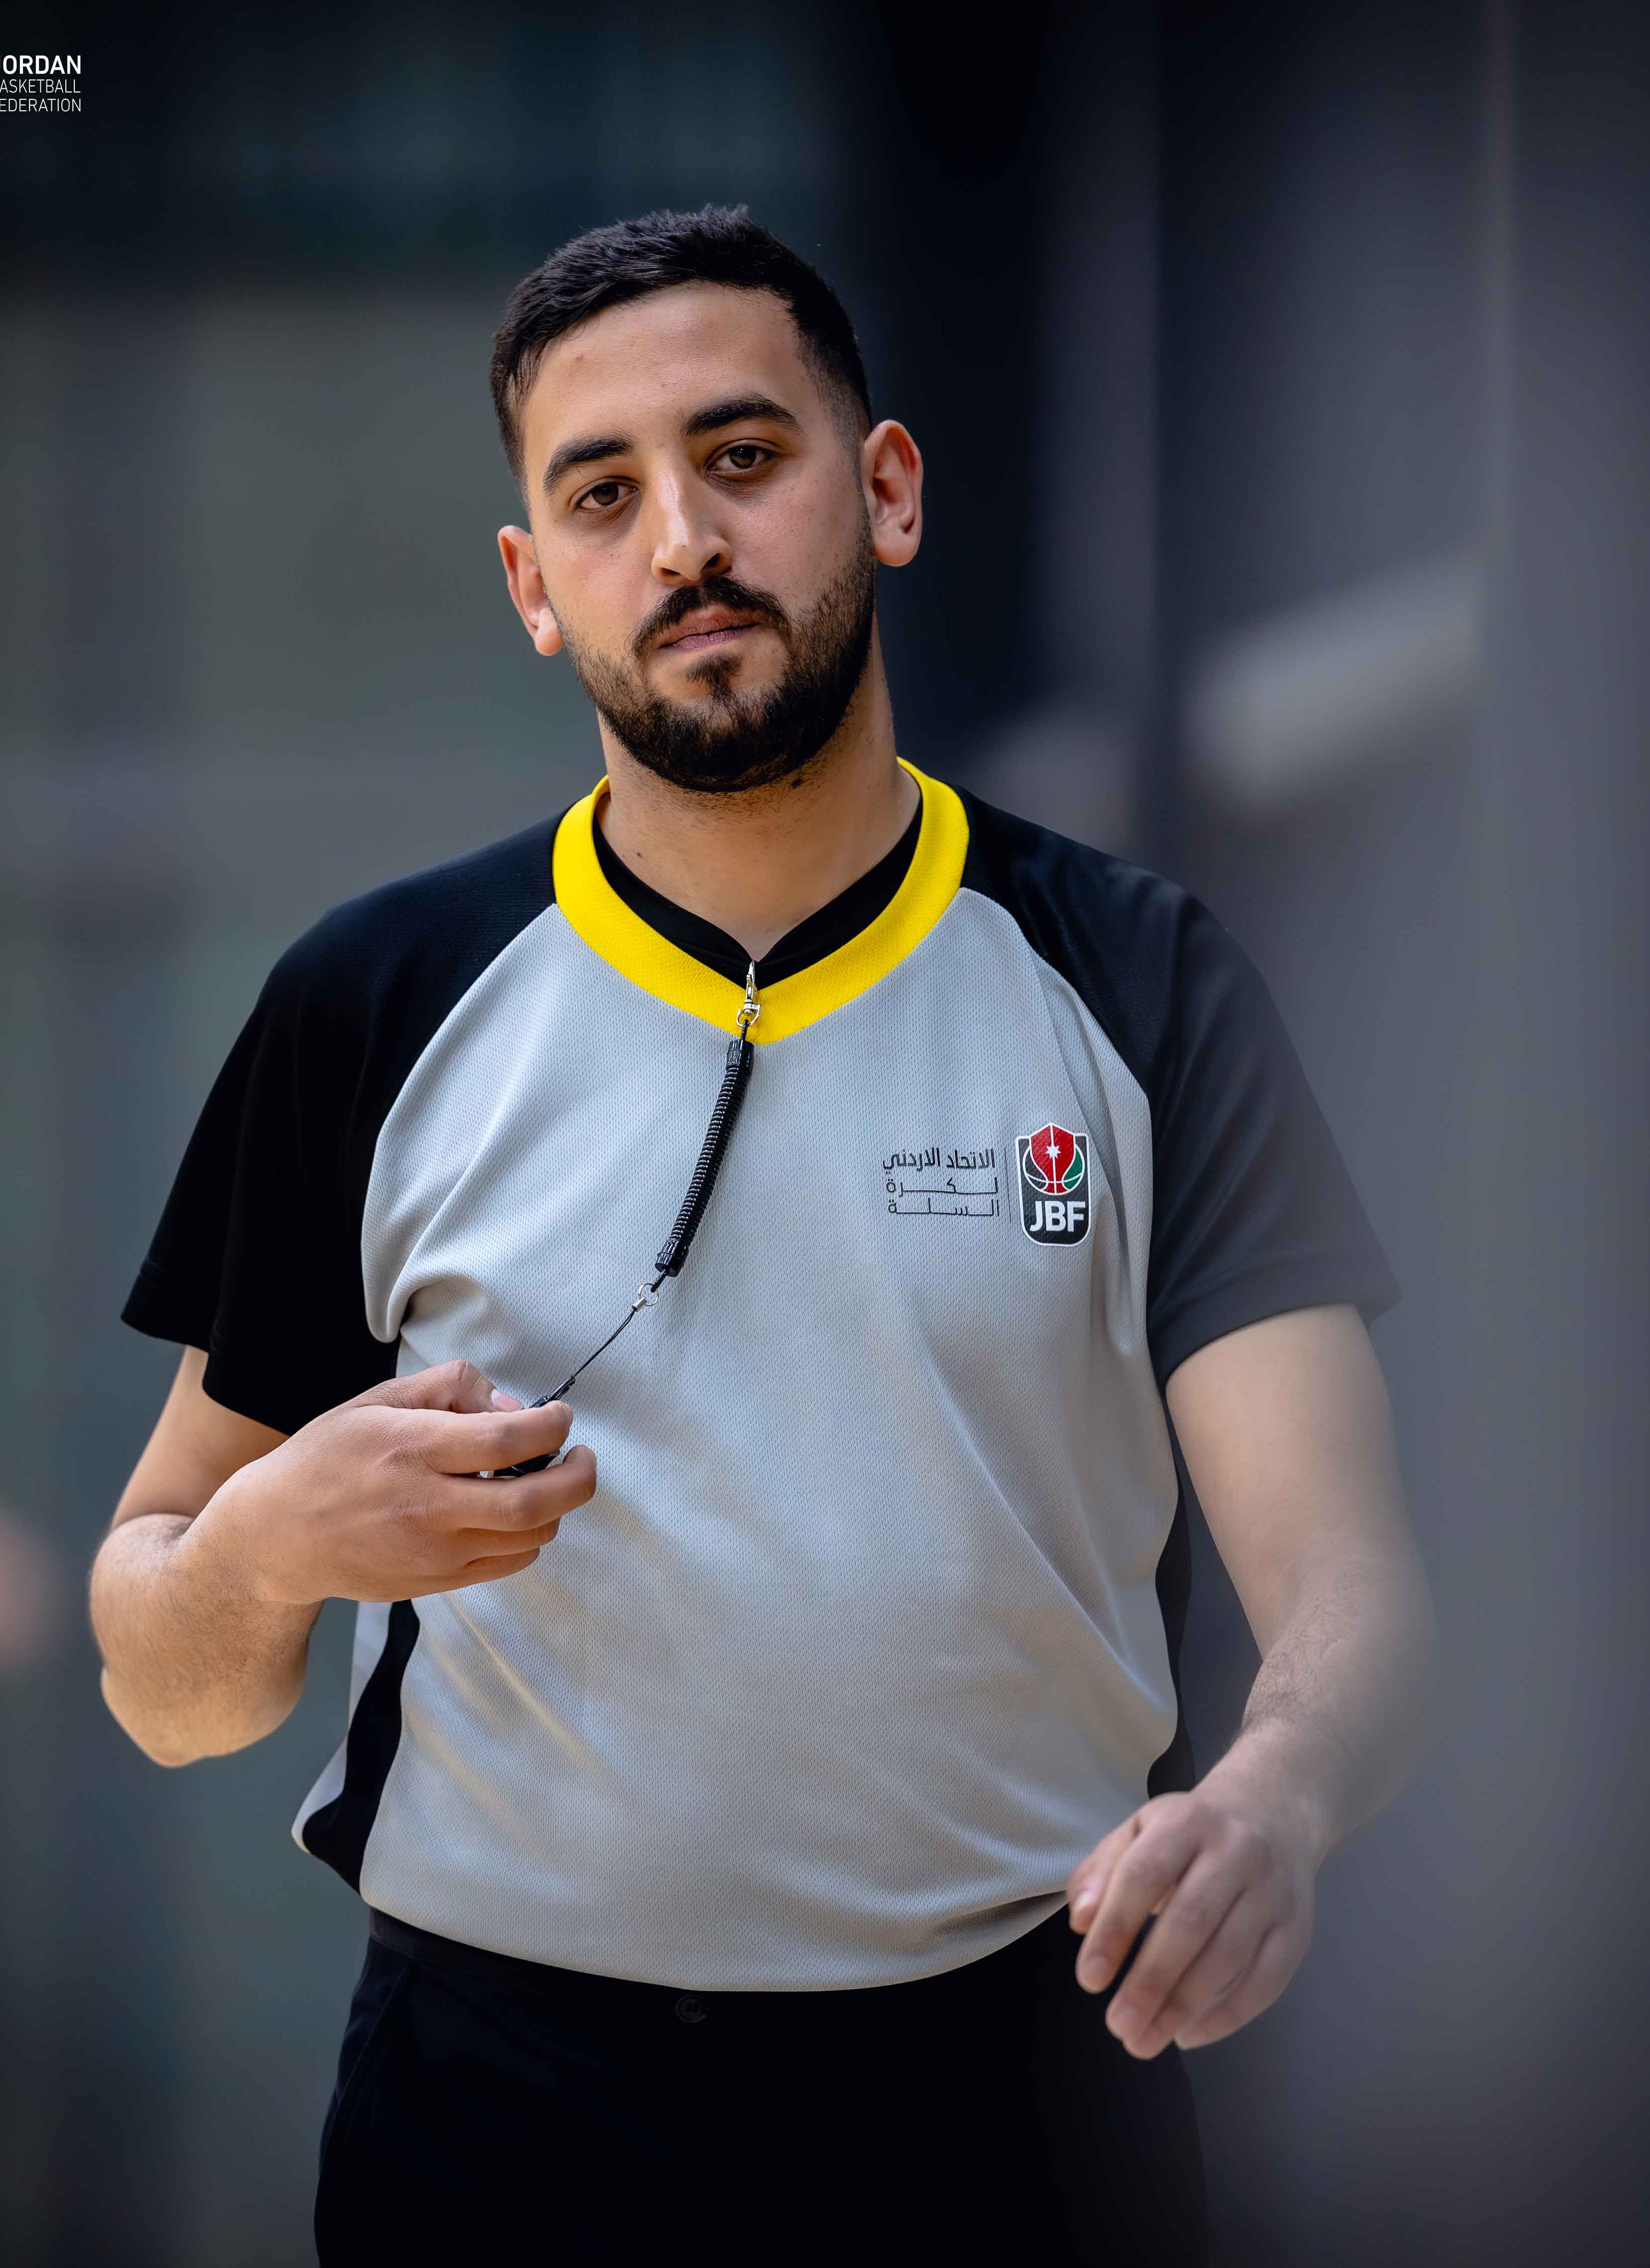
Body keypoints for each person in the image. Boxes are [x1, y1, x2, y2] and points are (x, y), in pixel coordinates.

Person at [90, 206, 1436, 2263]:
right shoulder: (373, 1002)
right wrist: (270, 1549)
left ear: (884, 489)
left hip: (1020, 2098)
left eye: (741, 457)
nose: (684, 543)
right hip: (500, 2116)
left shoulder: (1140, 979)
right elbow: (163, 1678)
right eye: (601, 495)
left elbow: (1351, 1586)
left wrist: (1280, 1796)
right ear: (534, 589)